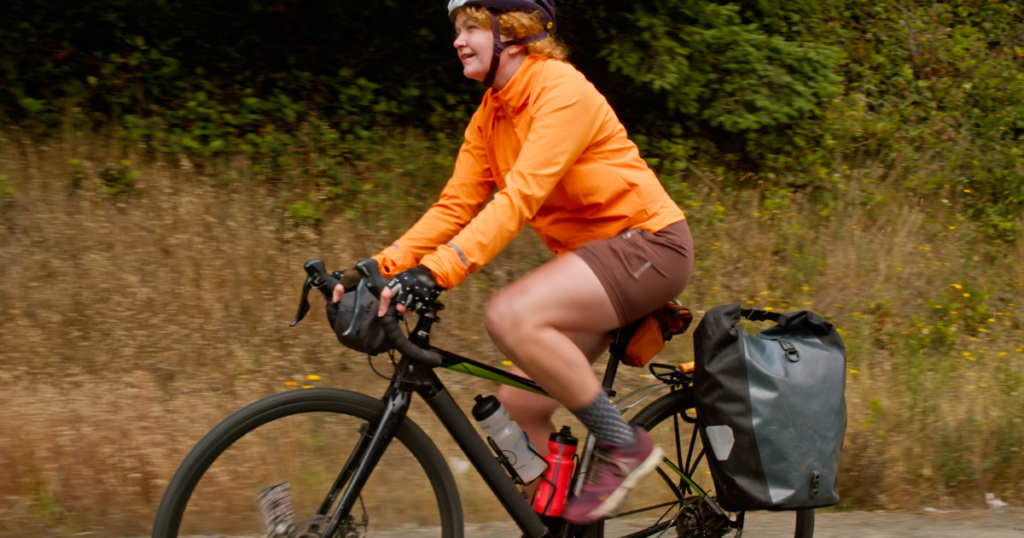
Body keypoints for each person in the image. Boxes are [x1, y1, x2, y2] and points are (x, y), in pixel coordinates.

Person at [333, 0, 693, 525]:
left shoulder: (560, 90)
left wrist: (435, 273)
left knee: (509, 314)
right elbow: (453, 207)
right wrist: (376, 269)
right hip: (593, 267)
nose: (458, 40)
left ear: (516, 33)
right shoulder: (491, 116)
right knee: (521, 416)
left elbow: (518, 200)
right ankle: (566, 525)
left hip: (650, 247)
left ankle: (624, 445)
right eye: (457, 29)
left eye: (473, 27)